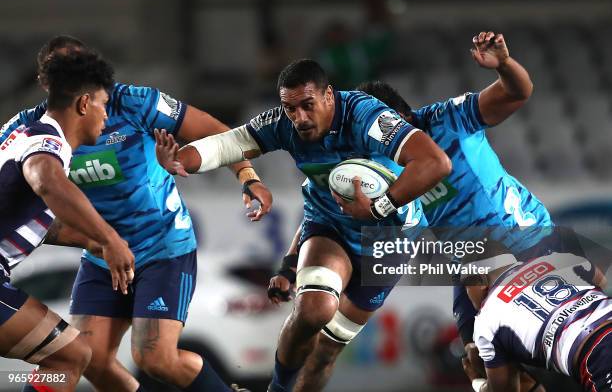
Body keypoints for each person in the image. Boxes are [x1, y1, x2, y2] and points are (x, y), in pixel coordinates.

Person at [267, 30, 556, 391]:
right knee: (480, 365)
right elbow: (324, 210)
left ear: (399, 118)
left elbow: (518, 92)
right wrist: (289, 264)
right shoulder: (365, 160)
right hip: (470, 264)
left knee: (558, 350)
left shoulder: (449, 120)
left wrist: (504, 65)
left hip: (528, 241)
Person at [154, 58, 452, 392]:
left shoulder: (366, 116)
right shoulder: (284, 122)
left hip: (389, 242)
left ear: (328, 96)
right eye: (290, 108)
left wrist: (379, 207)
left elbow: (436, 162)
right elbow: (228, 144)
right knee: (314, 310)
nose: (300, 118)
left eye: (307, 106)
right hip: (331, 226)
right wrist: (182, 158)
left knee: (326, 352)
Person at [0, 35, 269, 392]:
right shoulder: (39, 136)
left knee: (152, 358)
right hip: (106, 254)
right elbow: (45, 190)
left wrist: (247, 175)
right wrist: (104, 241)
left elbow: (213, 132)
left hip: (161, 246)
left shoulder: (133, 103)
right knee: (82, 359)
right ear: (50, 83)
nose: (103, 103)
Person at [0, 51, 134, 392]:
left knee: (68, 356)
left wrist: (90, 239)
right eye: (105, 104)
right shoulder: (47, 142)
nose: (108, 114)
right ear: (85, 103)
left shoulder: (21, 138)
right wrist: (109, 239)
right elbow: (47, 180)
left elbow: (30, 218)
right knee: (69, 356)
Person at [460, 251, 611, 392]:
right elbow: (601, 280)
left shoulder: (486, 319)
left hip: (598, 351)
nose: (468, 294)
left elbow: (505, 389)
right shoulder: (556, 258)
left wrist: (478, 382)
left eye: (467, 286)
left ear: (480, 281)